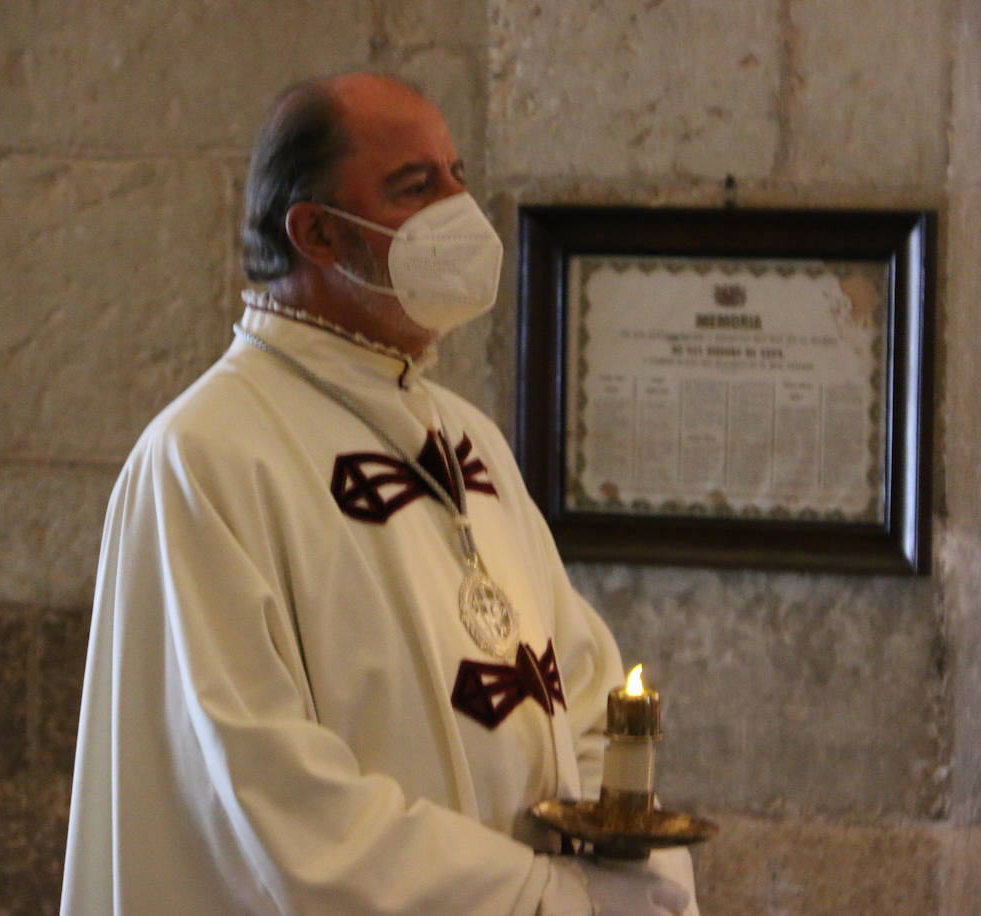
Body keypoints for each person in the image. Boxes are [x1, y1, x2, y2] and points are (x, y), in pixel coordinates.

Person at [60, 71, 700, 915]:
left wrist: (633, 869)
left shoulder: (467, 439)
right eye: (415, 187)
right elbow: (277, 797)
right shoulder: (206, 458)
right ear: (318, 232)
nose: (457, 210)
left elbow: (579, 685)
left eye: (457, 175)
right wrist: (542, 899)